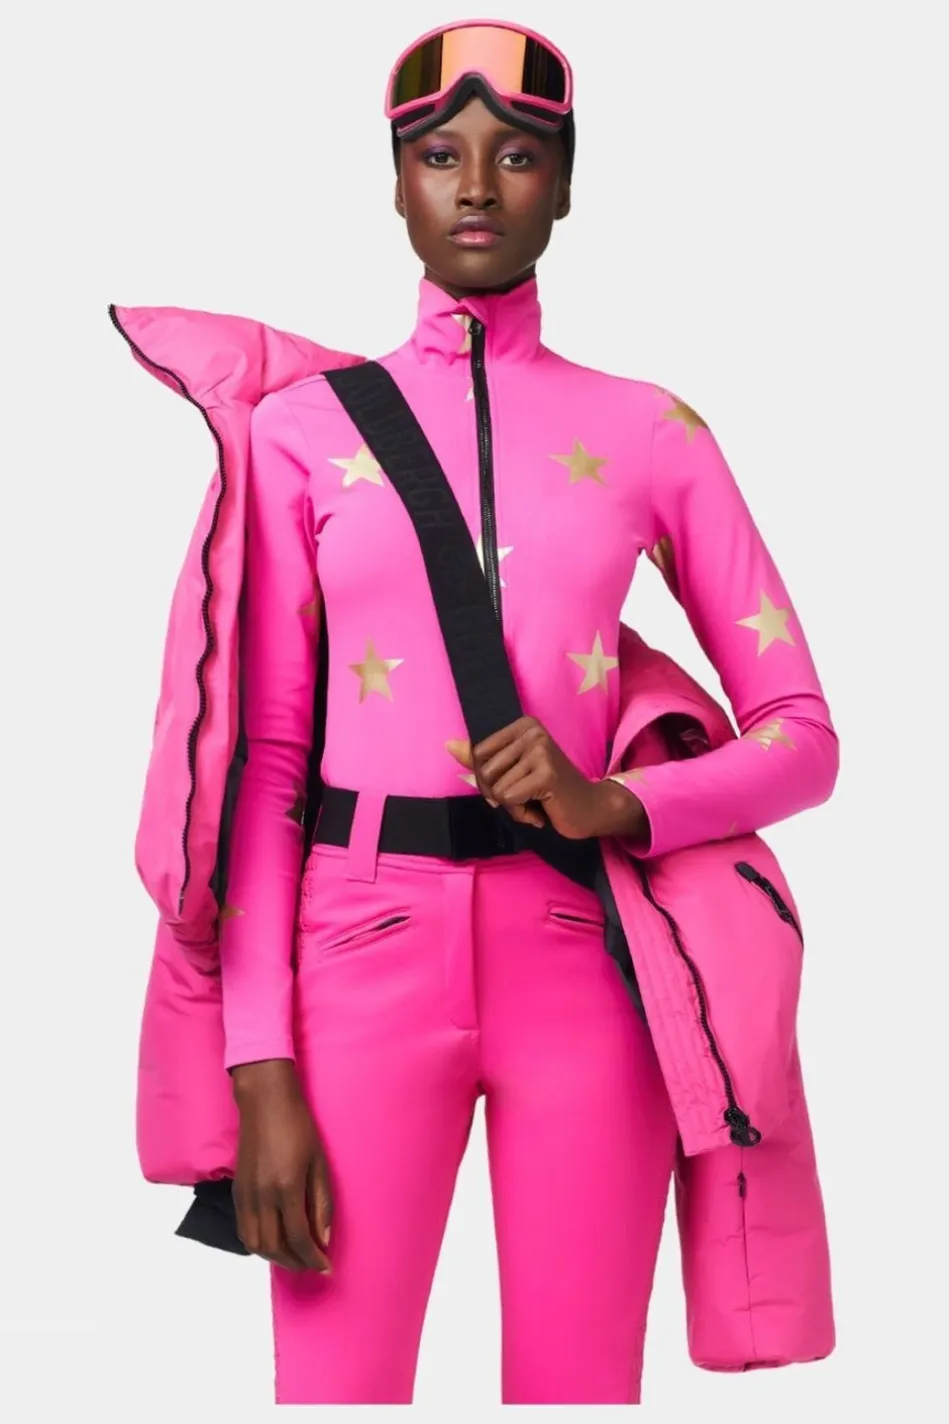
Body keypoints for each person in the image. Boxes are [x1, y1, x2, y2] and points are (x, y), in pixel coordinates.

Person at [211, 17, 837, 1406]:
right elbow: (266, 762)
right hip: (353, 956)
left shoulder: (653, 431)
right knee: (334, 1395)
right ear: (396, 183)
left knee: (578, 1394)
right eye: (441, 156)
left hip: (584, 964)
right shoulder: (301, 434)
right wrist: (259, 1065)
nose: (478, 186)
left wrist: (621, 801)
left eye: (518, 155)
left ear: (566, 182)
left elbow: (803, 735)